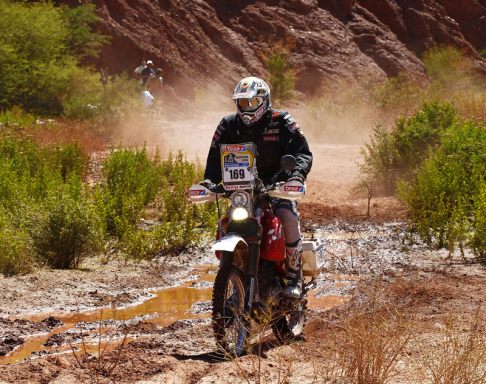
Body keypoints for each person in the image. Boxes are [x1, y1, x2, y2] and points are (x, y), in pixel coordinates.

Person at [201, 76, 313, 299]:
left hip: (276, 185)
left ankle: (293, 276)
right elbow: (214, 157)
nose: (247, 108)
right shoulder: (228, 124)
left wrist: (296, 176)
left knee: (286, 216)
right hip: (241, 190)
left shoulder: (281, 120)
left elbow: (302, 153)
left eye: (252, 102)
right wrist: (209, 182)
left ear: (264, 100)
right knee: (229, 222)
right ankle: (233, 272)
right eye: (242, 103)